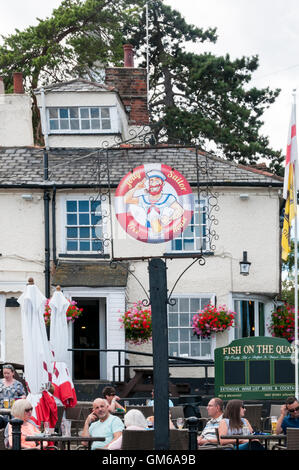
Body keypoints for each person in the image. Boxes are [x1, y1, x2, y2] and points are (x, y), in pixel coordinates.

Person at [0, 364, 26, 429]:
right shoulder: (0, 382)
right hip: (1, 412)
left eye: (8, 373)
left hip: (14, 413)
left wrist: (20, 398)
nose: (6, 375)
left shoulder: (18, 384)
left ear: (13, 373)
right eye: (4, 373)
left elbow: (24, 396)